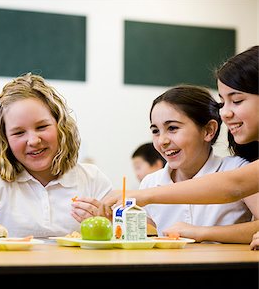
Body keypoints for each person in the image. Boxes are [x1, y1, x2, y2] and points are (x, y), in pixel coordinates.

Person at [102, 45, 259, 249]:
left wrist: (144, 196)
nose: (225, 113)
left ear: (208, 131)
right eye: (222, 103)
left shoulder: (236, 167)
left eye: (236, 100)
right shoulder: (151, 182)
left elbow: (234, 185)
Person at [0, 73, 112, 238]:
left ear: (61, 126)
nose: (34, 141)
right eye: (19, 132)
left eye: (42, 127)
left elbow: (119, 242)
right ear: (4, 138)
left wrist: (106, 224)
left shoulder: (93, 180)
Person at [141, 85, 256, 243]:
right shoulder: (150, 183)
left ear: (209, 130)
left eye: (172, 128)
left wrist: (200, 232)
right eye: (155, 131)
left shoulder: (239, 169)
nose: (162, 141)